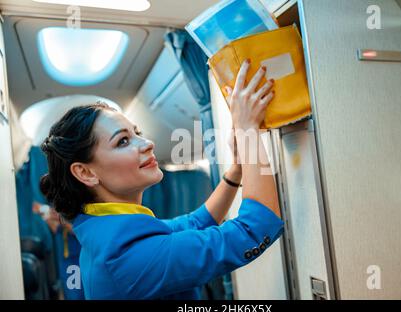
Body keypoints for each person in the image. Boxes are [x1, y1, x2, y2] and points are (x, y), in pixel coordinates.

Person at [39, 60, 283, 299]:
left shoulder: (108, 229)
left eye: (137, 133)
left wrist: (235, 171)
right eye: (122, 141)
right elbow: (257, 226)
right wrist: (246, 129)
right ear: (86, 172)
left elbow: (195, 223)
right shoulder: (125, 256)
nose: (147, 144)